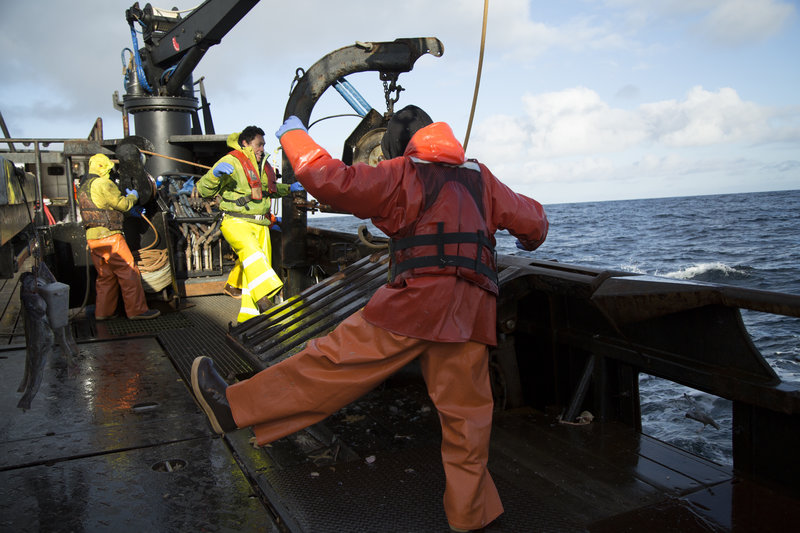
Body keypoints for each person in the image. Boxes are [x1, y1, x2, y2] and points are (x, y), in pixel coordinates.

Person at [190, 106, 549, 532]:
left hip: (415, 303)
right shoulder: (482, 178)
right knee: (466, 420)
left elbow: (332, 180)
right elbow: (535, 224)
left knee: (329, 364)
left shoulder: (402, 173)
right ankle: (471, 517)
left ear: (402, 147)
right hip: (472, 309)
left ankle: (232, 407)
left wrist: (294, 136)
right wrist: (525, 236)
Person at [196, 126, 301, 323]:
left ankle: (249, 317)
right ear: (245, 143)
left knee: (253, 269)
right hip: (236, 221)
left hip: (260, 225)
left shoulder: (261, 164)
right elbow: (203, 189)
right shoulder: (231, 161)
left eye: (264, 144)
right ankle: (265, 301)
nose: (262, 148)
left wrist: (289, 189)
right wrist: (214, 175)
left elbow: (267, 190)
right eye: (259, 144)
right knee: (253, 255)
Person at [78, 153, 160, 320]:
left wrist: (128, 214)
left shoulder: (84, 186)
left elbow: (101, 209)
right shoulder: (103, 183)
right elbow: (122, 204)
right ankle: (137, 310)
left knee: (105, 276)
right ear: (105, 167)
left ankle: (103, 313)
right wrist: (133, 196)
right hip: (109, 236)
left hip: (93, 238)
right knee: (128, 272)